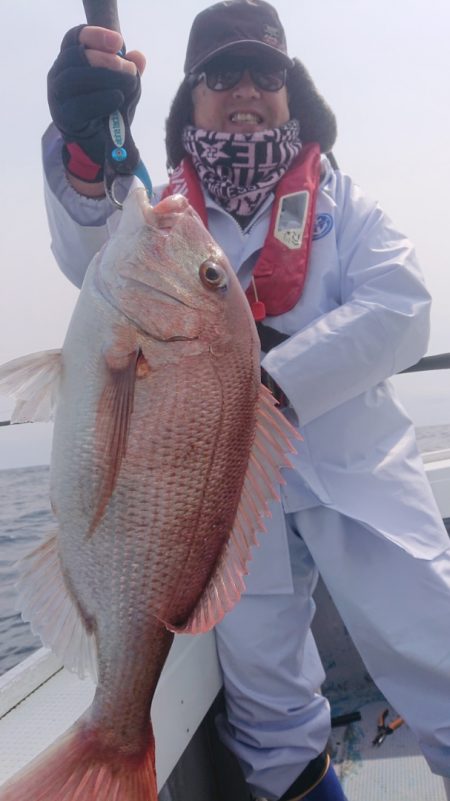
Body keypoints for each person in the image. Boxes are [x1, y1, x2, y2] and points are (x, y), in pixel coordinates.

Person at [42, 2, 450, 799]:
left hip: (357, 479)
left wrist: (262, 384)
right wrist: (89, 155)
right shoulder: (160, 213)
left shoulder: (345, 204)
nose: (245, 90)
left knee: (437, 648)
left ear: (291, 91)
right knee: (270, 715)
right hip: (221, 516)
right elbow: (91, 255)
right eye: (220, 74)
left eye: (266, 72)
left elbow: (404, 308)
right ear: (189, 97)